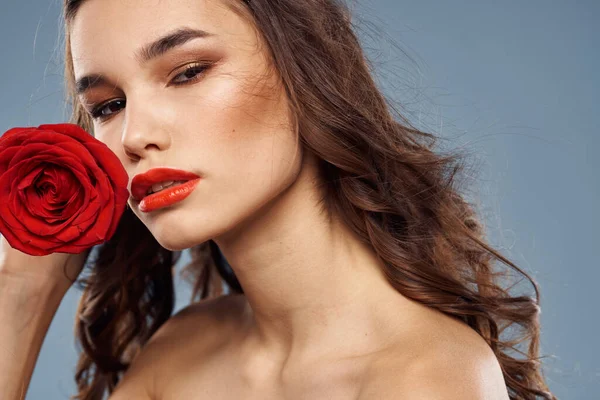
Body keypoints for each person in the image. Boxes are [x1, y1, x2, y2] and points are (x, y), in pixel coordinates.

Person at [0, 0, 557, 399]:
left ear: (306, 68)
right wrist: (23, 286)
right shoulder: (182, 352)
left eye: (188, 72)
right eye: (106, 105)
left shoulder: (425, 380)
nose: (132, 135)